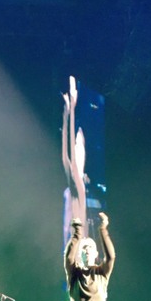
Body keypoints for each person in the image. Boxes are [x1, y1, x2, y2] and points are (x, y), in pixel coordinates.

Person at [61, 75, 89, 244]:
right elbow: (65, 149)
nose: (76, 148)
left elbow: (69, 146)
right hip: (70, 248)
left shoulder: (78, 183)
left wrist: (72, 105)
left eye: (79, 145)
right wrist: (66, 111)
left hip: (77, 249)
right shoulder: (74, 180)